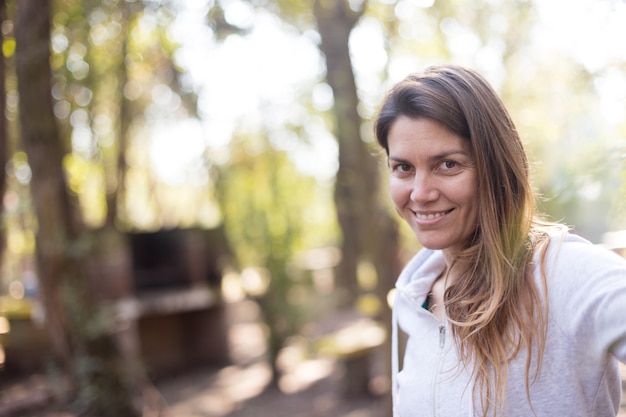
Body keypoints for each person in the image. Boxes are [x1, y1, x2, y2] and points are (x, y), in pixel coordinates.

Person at [373, 64, 626, 417]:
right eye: (403, 168)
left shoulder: (562, 273)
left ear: (494, 167)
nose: (421, 193)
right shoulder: (412, 297)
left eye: (447, 164)